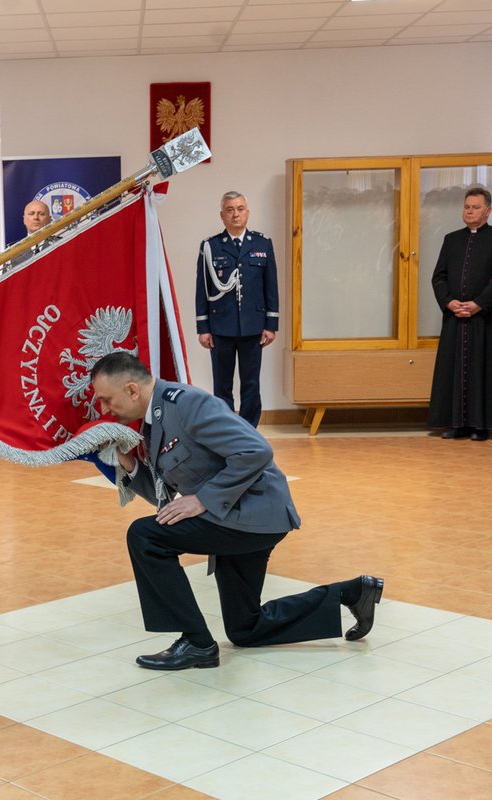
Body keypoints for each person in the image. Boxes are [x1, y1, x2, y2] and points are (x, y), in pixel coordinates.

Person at [90, 352, 383, 671]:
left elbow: (256, 451)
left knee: (145, 536)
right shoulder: (152, 422)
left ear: (132, 389)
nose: (104, 409)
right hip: (233, 515)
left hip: (255, 513)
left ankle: (196, 643)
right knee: (246, 627)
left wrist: (202, 500)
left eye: (107, 400)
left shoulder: (187, 404)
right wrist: (123, 460)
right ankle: (354, 592)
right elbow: (163, 497)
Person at [428, 187, 492, 440]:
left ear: (488, 211)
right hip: (456, 317)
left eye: (475, 207)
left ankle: (482, 425)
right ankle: (457, 423)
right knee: (455, 370)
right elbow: (439, 277)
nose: (469, 211)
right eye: (467, 206)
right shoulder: (451, 239)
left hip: (486, 318)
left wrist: (479, 303)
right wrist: (449, 302)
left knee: (485, 369)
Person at [195, 191, 278, 427]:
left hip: (253, 326)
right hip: (221, 326)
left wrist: (271, 324)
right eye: (230, 210)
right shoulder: (210, 246)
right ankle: (227, 427)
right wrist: (203, 327)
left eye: (240, 209)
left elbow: (271, 286)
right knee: (222, 384)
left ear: (247, 213)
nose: (235, 214)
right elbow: (202, 288)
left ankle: (249, 429)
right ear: (222, 215)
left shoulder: (263, 243)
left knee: (251, 382)